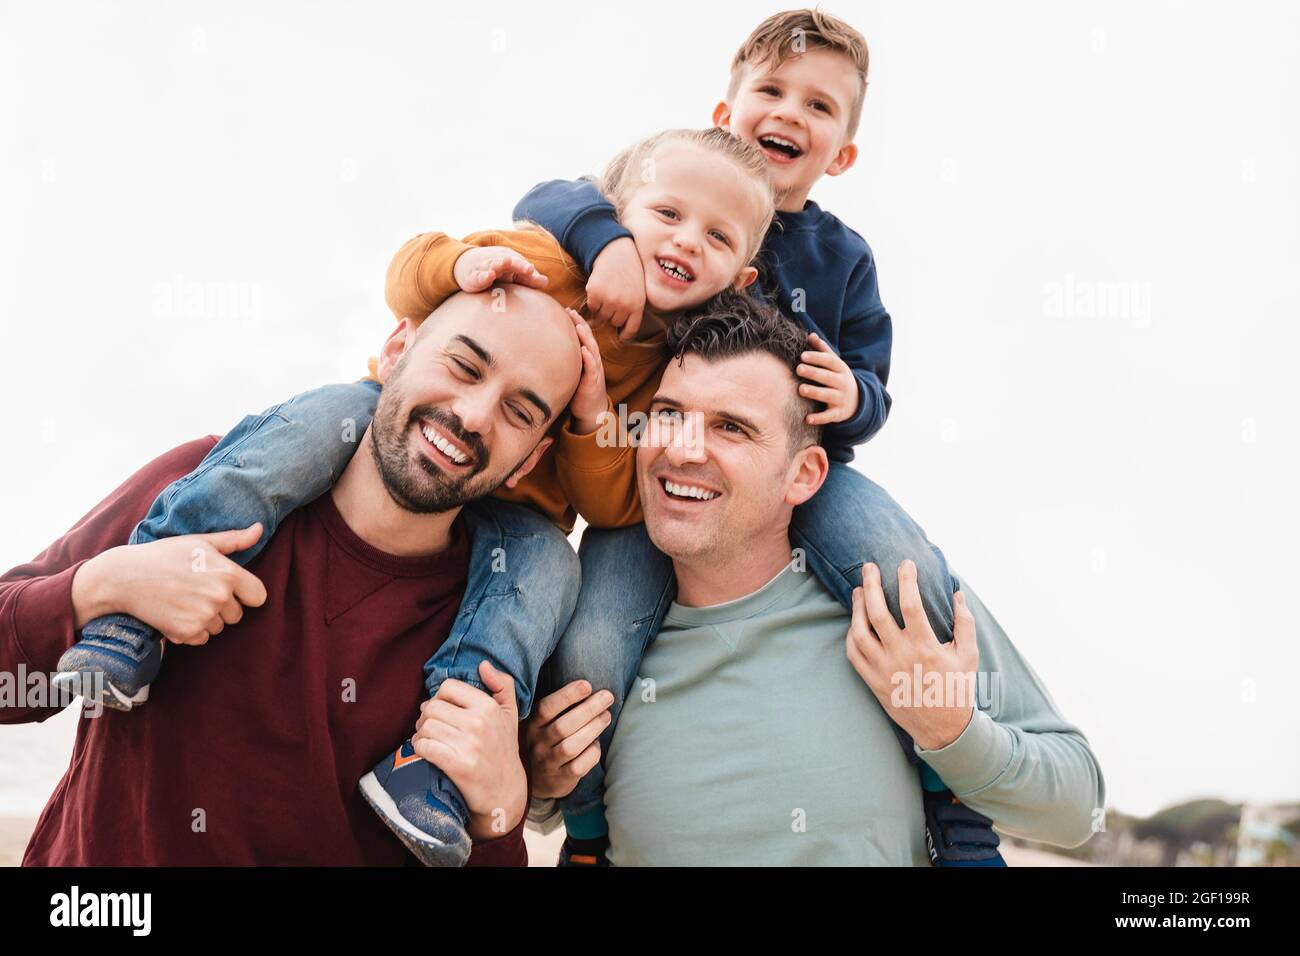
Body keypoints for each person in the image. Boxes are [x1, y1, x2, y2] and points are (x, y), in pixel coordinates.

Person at [52, 124, 776, 864]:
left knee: (551, 570)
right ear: (610, 218)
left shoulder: (671, 368)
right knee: (308, 426)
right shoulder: (538, 261)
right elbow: (411, 272)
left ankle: (430, 768)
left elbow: (614, 504)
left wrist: (499, 802)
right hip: (356, 420)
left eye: (718, 237)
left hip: (516, 519)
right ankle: (133, 620)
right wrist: (93, 589)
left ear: (743, 275)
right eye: (667, 216)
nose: (686, 243)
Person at [513, 7, 1005, 864]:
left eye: (819, 106)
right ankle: (587, 831)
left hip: (799, 476)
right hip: (655, 478)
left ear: (841, 153)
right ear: (724, 113)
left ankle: (951, 797)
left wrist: (852, 396)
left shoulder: (843, 257)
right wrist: (607, 245)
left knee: (905, 567)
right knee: (591, 640)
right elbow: (551, 198)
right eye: (771, 90)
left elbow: (876, 388)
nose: (789, 112)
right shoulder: (682, 194)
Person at [0, 287, 581, 865]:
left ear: (529, 459)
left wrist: (498, 813)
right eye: (462, 365)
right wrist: (100, 588)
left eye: (519, 412)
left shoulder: (506, 628)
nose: (474, 416)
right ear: (397, 349)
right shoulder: (207, 481)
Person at [524, 292, 1105, 865]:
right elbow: (528, 807)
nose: (682, 448)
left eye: (731, 428)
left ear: (803, 474)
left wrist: (951, 729)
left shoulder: (890, 609)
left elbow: (1079, 808)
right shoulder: (591, 633)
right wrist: (538, 776)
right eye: (670, 414)